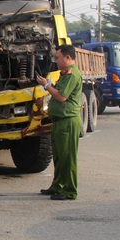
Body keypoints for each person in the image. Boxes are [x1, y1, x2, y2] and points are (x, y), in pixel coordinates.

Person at [36, 45, 83, 201]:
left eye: (58, 57)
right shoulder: (64, 74)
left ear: (68, 57)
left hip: (67, 122)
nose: (56, 61)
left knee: (68, 158)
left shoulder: (71, 74)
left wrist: (46, 85)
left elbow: (62, 96)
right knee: (59, 157)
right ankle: (58, 186)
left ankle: (69, 190)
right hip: (59, 121)